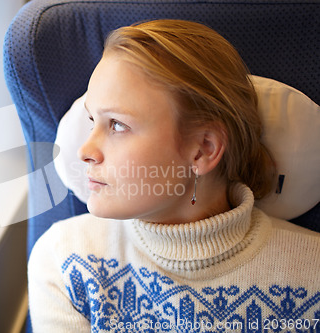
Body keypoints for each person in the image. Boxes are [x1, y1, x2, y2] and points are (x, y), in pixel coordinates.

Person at [28, 20, 320, 332]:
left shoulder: (312, 275)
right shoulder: (66, 263)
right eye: (91, 120)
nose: (84, 150)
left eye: (116, 124)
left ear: (202, 150)